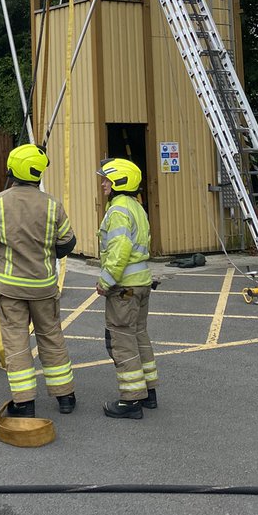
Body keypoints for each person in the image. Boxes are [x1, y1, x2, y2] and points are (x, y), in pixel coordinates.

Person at [0, 143, 77, 417]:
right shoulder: (53, 205)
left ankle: (25, 403)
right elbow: (67, 244)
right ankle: (65, 397)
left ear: (12, 169)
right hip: (43, 286)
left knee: (17, 342)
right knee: (52, 337)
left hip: (10, 288)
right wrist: (44, 253)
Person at [95, 158, 158, 419]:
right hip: (141, 284)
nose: (103, 184)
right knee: (139, 336)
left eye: (107, 180)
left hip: (124, 288)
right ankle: (148, 393)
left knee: (122, 340)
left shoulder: (119, 210)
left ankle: (131, 401)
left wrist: (105, 280)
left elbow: (120, 250)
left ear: (119, 181)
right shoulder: (136, 207)